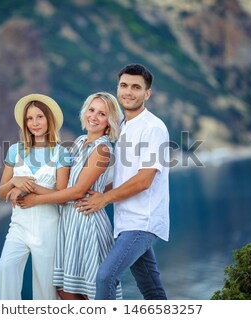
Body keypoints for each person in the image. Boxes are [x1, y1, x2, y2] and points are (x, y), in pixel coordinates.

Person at [75, 64, 170, 300]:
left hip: (142, 221)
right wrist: (94, 192)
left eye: (136, 87)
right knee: (151, 288)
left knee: (105, 276)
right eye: (124, 85)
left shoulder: (153, 127)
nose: (128, 92)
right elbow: (123, 176)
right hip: (125, 221)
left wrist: (104, 200)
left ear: (147, 93)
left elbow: (144, 180)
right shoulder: (124, 126)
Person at [17, 92, 124, 300]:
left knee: (90, 293)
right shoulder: (80, 141)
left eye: (102, 114)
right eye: (91, 110)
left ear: (109, 122)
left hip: (87, 223)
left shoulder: (102, 149)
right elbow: (62, 187)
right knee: (65, 289)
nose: (94, 116)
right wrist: (26, 185)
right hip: (69, 223)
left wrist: (35, 199)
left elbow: (76, 191)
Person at [0, 93, 70, 300]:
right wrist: (14, 182)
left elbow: (63, 197)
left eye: (40, 117)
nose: (34, 123)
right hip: (18, 226)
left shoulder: (61, 153)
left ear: (49, 120)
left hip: (47, 228)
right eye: (29, 118)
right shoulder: (15, 151)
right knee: (6, 268)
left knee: (45, 287)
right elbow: (2, 192)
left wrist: (30, 187)